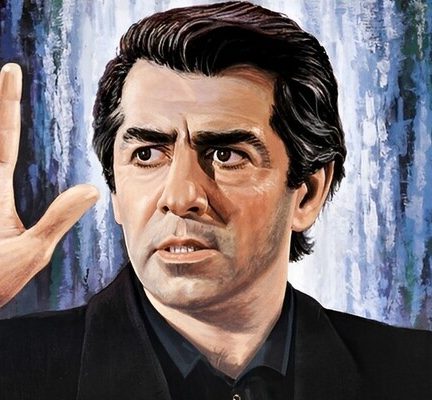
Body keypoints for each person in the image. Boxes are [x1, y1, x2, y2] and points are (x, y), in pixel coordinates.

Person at [0, 2, 430, 399]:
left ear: (307, 194)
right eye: (147, 155)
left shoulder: (416, 372)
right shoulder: (12, 368)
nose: (180, 197)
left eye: (226, 155)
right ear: (115, 190)